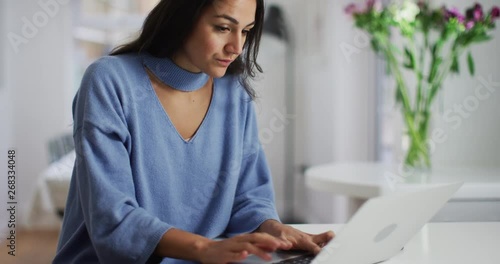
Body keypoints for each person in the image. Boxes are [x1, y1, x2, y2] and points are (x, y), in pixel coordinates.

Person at [53, 0, 334, 263]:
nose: (237, 46)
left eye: (246, 31)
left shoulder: (234, 94)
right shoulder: (109, 81)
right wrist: (204, 248)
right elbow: (113, 218)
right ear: (182, 17)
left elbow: (249, 196)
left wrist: (273, 229)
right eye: (223, 28)